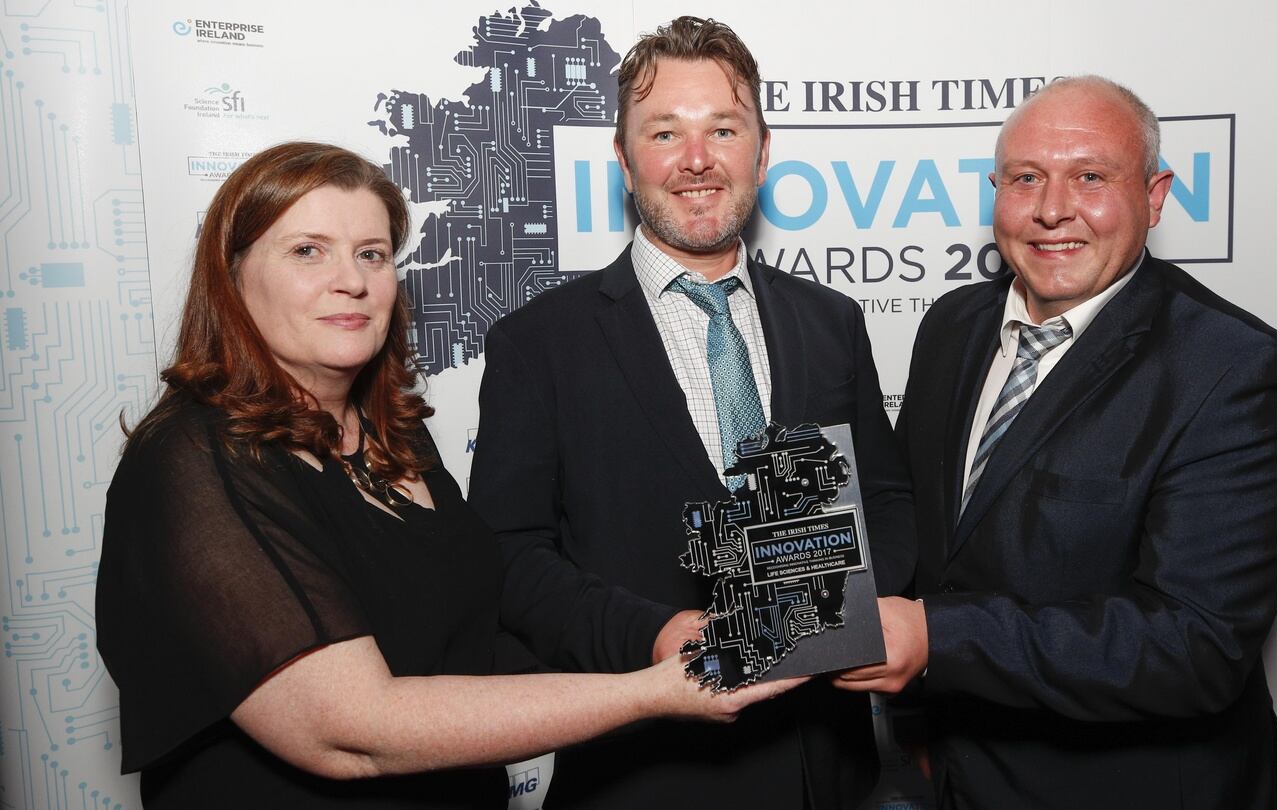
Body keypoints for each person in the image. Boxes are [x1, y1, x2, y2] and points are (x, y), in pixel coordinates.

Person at [94, 142, 798, 810]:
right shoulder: (191, 460)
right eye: (308, 251)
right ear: (233, 274)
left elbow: (475, 642)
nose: (352, 279)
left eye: (372, 253)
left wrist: (665, 640)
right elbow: (352, 730)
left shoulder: (393, 438)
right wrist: (657, 691)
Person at [834, 76, 1277, 808]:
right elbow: (932, 538)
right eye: (1025, 178)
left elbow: (1194, 645)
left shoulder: (1242, 372)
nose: (1052, 208)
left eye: (1090, 177)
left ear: (1155, 196)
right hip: (956, 774)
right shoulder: (953, 325)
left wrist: (937, 636)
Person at [469, 16, 915, 810]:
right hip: (642, 773)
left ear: (761, 149)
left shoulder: (831, 322)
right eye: (665, 131)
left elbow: (882, 500)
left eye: (723, 129)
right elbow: (507, 555)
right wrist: (652, 635)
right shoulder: (539, 343)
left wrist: (862, 609)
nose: (698, 159)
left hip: (823, 766)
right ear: (623, 158)